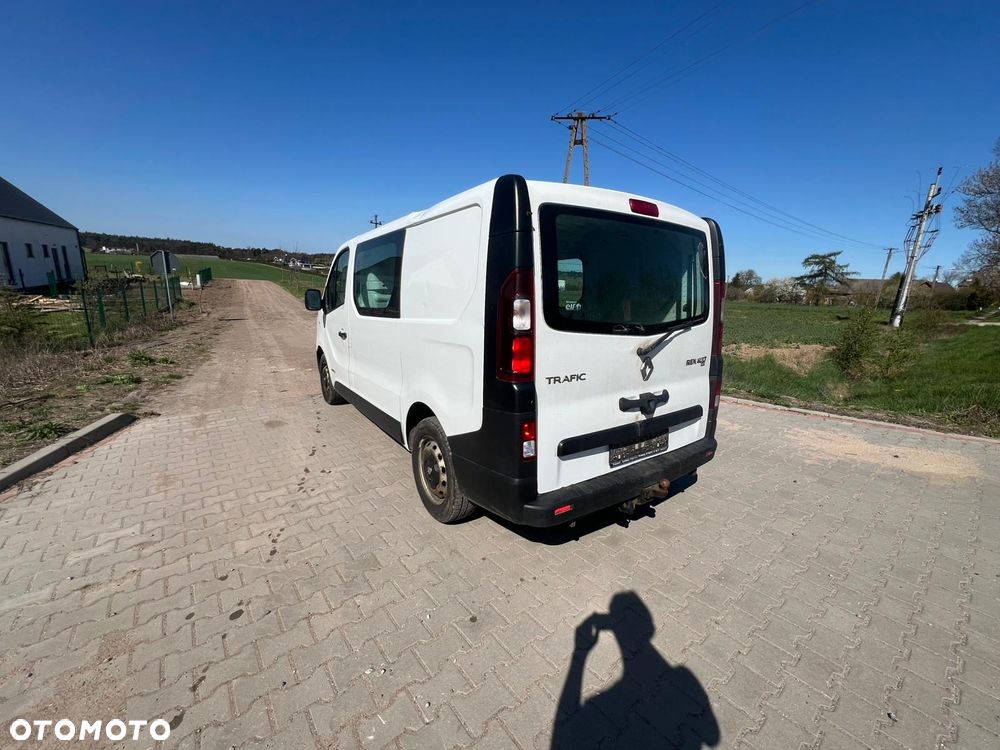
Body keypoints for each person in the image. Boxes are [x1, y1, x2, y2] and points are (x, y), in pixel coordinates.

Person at [552, 592, 720, 749]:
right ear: (650, 627)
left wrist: (579, 655)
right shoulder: (683, 678)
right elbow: (712, 735)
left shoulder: (683, 678)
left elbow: (563, 738)